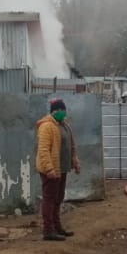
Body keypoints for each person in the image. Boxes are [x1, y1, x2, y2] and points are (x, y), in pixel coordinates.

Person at [35, 99, 81, 241]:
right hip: (52, 170)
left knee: (58, 199)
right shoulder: (46, 126)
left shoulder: (65, 125)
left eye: (64, 111)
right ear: (54, 111)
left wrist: (75, 162)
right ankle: (48, 230)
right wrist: (49, 169)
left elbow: (72, 147)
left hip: (62, 169)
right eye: (61, 110)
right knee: (49, 199)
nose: (63, 113)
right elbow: (43, 150)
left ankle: (57, 227)